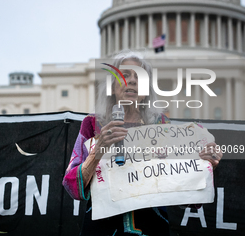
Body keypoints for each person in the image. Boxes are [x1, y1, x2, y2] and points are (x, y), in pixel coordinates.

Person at [62, 50, 222, 236]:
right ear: (112, 86)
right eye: (125, 74)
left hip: (152, 228)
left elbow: (187, 196)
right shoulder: (92, 124)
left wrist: (204, 166)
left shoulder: (162, 126)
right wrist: (97, 152)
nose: (132, 80)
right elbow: (71, 186)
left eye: (139, 76)